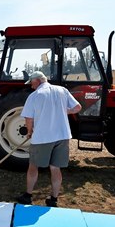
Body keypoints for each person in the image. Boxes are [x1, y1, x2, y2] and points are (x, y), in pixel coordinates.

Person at [16, 71, 82, 207]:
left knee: (33, 166)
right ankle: (53, 199)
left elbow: (28, 118)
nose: (31, 87)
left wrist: (29, 131)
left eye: (32, 84)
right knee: (55, 168)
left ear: (37, 81)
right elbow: (77, 107)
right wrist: (64, 111)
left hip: (42, 137)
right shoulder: (62, 90)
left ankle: (28, 196)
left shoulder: (35, 96)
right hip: (62, 136)